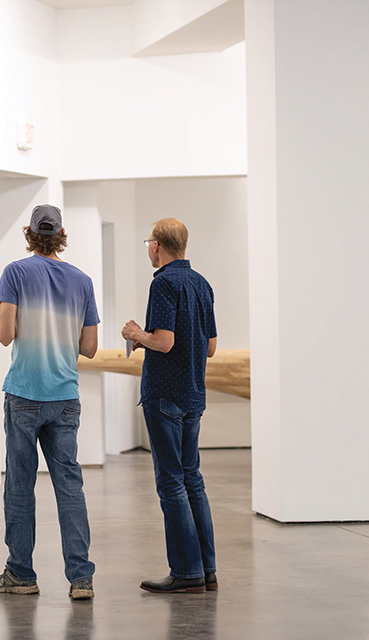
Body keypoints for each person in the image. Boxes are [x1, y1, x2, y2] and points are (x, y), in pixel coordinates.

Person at [0, 204, 99, 601]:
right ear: (62, 233)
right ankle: (81, 578)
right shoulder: (82, 281)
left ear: (29, 233)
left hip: (24, 394)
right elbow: (89, 347)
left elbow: (4, 335)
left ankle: (21, 573)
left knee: (19, 485)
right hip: (65, 397)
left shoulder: (15, 273)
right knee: (70, 486)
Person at [121, 217, 218, 594]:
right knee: (192, 479)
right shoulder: (201, 284)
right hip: (194, 394)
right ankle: (206, 569)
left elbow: (163, 342)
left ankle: (186, 572)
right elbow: (210, 347)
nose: (148, 248)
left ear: (158, 245)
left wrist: (135, 334)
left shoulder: (163, 282)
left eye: (148, 242)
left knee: (171, 483)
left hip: (164, 395)